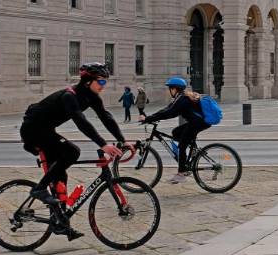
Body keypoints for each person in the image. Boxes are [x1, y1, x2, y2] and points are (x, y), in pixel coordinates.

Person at [20, 62, 125, 238]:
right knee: (72, 151)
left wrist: (122, 140)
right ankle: (39, 189)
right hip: (33, 130)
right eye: (101, 82)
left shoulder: (92, 97)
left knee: (61, 175)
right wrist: (103, 144)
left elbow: (106, 117)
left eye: (105, 82)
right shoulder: (70, 96)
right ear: (87, 81)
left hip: (46, 130)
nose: (103, 86)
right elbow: (81, 121)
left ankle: (61, 222)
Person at [140, 77, 211, 184]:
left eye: (170, 88)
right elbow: (167, 109)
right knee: (176, 132)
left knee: (182, 145)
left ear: (174, 89)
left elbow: (169, 113)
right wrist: (150, 117)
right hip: (199, 122)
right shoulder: (181, 97)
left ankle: (181, 174)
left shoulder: (182, 99)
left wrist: (148, 119)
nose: (169, 91)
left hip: (198, 123)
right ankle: (192, 151)